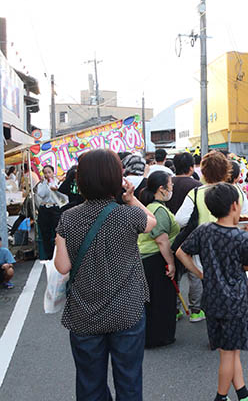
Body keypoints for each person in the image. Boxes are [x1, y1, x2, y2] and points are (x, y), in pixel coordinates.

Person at [54, 149, 157, 401]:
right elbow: (152, 220)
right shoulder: (128, 214)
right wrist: (131, 198)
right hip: (127, 311)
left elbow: (63, 267)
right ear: (117, 179)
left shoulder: (68, 218)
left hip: (84, 313)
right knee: (129, 381)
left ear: (81, 181)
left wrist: (59, 238)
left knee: (90, 384)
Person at [176, 183, 248, 401]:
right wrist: (247, 234)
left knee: (228, 350)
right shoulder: (241, 237)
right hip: (235, 300)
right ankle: (220, 397)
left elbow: (181, 252)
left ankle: (243, 394)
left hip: (212, 298)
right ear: (235, 205)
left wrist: (200, 274)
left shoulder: (205, 230)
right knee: (229, 353)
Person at [175, 151, 248, 322]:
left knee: (203, 281)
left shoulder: (196, 193)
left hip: (203, 244)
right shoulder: (236, 191)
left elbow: (179, 220)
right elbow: (246, 220)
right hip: (232, 243)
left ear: (204, 172)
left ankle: (204, 315)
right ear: (227, 170)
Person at [136, 171, 179, 348]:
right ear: (161, 188)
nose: (172, 188)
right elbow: (161, 240)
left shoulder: (151, 207)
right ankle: (159, 337)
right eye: (170, 185)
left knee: (151, 301)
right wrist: (171, 263)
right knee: (160, 301)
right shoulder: (158, 210)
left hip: (146, 259)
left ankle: (151, 336)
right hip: (156, 259)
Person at [36, 165, 64, 260]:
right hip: (44, 209)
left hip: (55, 208)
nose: (47, 175)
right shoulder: (41, 184)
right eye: (45, 173)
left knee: (58, 232)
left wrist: (56, 188)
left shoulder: (58, 182)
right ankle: (48, 255)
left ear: (53, 172)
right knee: (45, 233)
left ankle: (58, 254)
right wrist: (44, 183)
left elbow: (62, 195)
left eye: (49, 172)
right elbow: (41, 194)